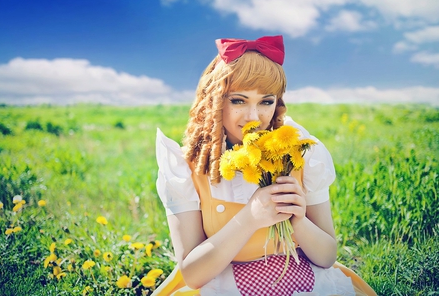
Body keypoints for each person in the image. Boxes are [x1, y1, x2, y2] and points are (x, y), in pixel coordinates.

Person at [154, 35, 376, 295]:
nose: (253, 117)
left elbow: (326, 257)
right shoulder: (186, 169)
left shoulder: (300, 155)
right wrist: (250, 218)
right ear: (214, 101)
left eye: (265, 102)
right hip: (221, 285)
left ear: (277, 104)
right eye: (238, 100)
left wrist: (298, 219)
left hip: (303, 282)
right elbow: (193, 275)